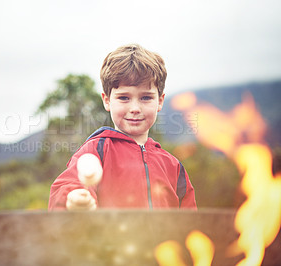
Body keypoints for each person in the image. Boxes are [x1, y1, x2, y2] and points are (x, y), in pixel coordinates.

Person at [48, 44, 197, 210]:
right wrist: (72, 198)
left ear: (160, 101)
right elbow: (66, 186)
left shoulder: (173, 166)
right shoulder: (96, 151)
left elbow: (190, 221)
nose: (135, 108)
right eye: (124, 98)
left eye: (146, 97)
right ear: (106, 100)